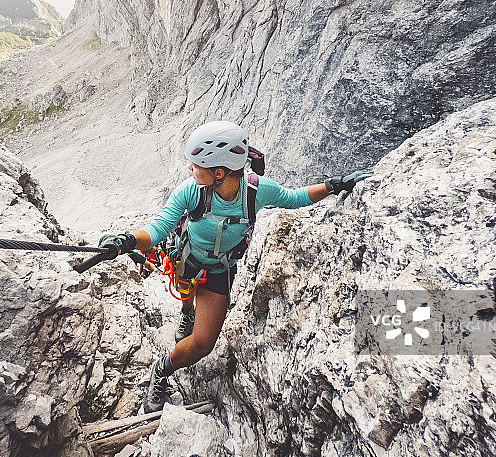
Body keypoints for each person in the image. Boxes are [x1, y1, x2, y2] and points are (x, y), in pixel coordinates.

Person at [99, 121, 370, 413]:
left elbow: (295, 198)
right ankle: (187, 312)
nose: (189, 168)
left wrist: (335, 185)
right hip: (187, 258)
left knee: (202, 345)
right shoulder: (189, 192)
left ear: (219, 173)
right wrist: (126, 241)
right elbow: (156, 231)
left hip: (219, 270)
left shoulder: (257, 191)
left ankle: (161, 369)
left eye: (196, 164)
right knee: (185, 292)